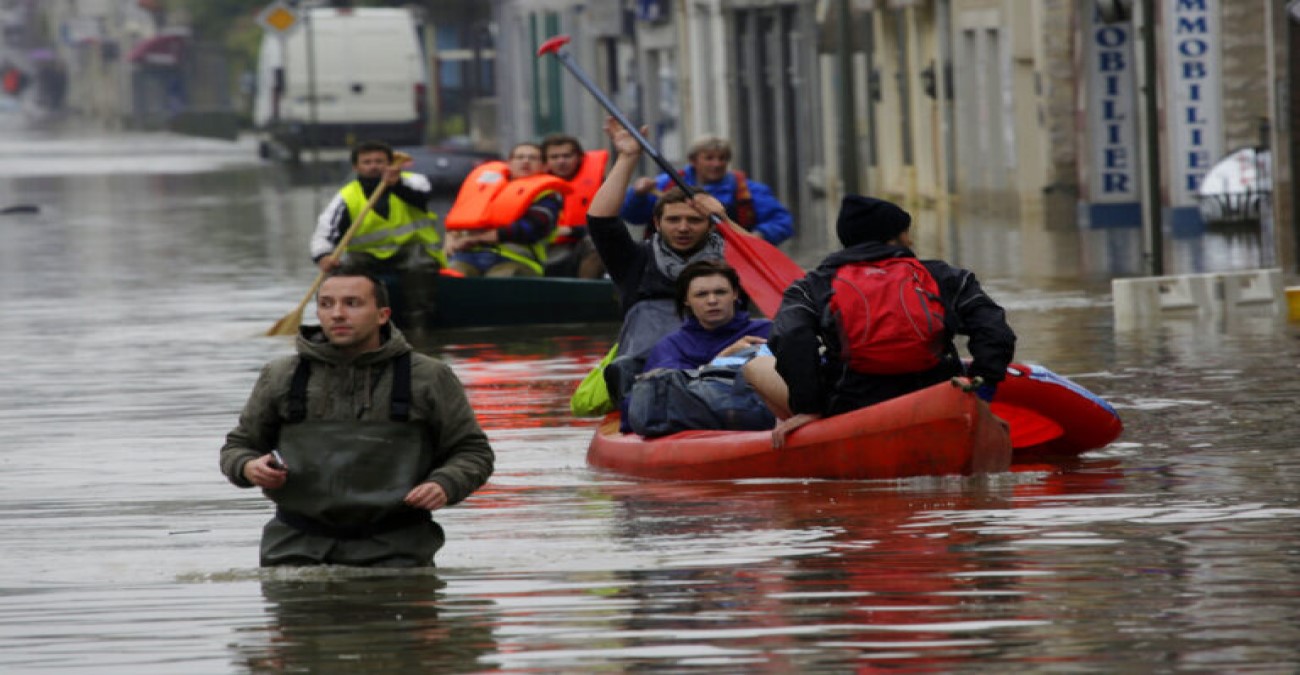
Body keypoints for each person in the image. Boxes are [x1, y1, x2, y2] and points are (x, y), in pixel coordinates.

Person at [220, 269, 494, 567]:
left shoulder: (428, 376)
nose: (337, 314)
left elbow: (473, 452)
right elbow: (238, 447)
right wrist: (248, 467)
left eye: (352, 303)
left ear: (382, 315)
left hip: (398, 551)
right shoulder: (280, 375)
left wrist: (445, 484)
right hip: (293, 549)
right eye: (326, 304)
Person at [746, 195, 1017, 448]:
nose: (910, 242)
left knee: (755, 366)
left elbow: (790, 338)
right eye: (906, 233)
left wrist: (809, 406)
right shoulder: (946, 277)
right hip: (939, 399)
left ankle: (800, 430)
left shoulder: (812, 285)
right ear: (892, 239)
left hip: (848, 406)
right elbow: (995, 332)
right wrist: (981, 394)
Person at [586, 117, 747, 402]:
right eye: (674, 220)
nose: (683, 228)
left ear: (709, 226)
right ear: (657, 224)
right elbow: (601, 221)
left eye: (694, 220)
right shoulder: (636, 260)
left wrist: (724, 218)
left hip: (726, 374)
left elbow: (766, 263)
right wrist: (627, 158)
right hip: (650, 376)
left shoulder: (736, 256)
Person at [625, 260, 776, 436]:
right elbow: (654, 402)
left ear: (735, 294)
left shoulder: (769, 331)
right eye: (701, 294)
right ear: (686, 300)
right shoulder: (671, 347)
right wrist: (720, 361)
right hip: (703, 428)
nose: (712, 301)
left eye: (720, 292)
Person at [308, 140, 445, 327]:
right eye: (367, 162)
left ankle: (420, 323)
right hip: (367, 257)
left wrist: (396, 185)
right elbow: (324, 232)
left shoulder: (413, 181)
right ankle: (347, 323)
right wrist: (323, 256)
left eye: (379, 161)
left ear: (389, 164)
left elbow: (423, 196)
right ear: (356, 167)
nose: (374, 166)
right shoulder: (346, 197)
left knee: (419, 266)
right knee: (340, 275)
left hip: (411, 250)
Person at [620, 134, 794, 245]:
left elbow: (782, 221)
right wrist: (637, 195)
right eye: (709, 158)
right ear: (693, 160)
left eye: (722, 159)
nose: (717, 164)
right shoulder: (665, 184)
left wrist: (760, 235)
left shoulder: (749, 190)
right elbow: (632, 216)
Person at [442, 142, 566, 277]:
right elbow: (459, 217)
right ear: (509, 163)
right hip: (467, 256)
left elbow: (530, 228)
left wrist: (475, 239)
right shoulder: (485, 188)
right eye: (519, 157)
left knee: (498, 283)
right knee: (448, 279)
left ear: (544, 166)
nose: (525, 161)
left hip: (517, 259)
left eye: (532, 158)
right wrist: (451, 238)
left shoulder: (549, 195)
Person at [541, 133, 608, 278]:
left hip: (580, 245)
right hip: (542, 246)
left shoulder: (599, 185)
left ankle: (585, 294)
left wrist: (572, 231)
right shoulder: (531, 185)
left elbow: (607, 222)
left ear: (579, 158)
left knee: (600, 243)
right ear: (545, 161)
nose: (561, 161)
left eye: (567, 156)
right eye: (554, 157)